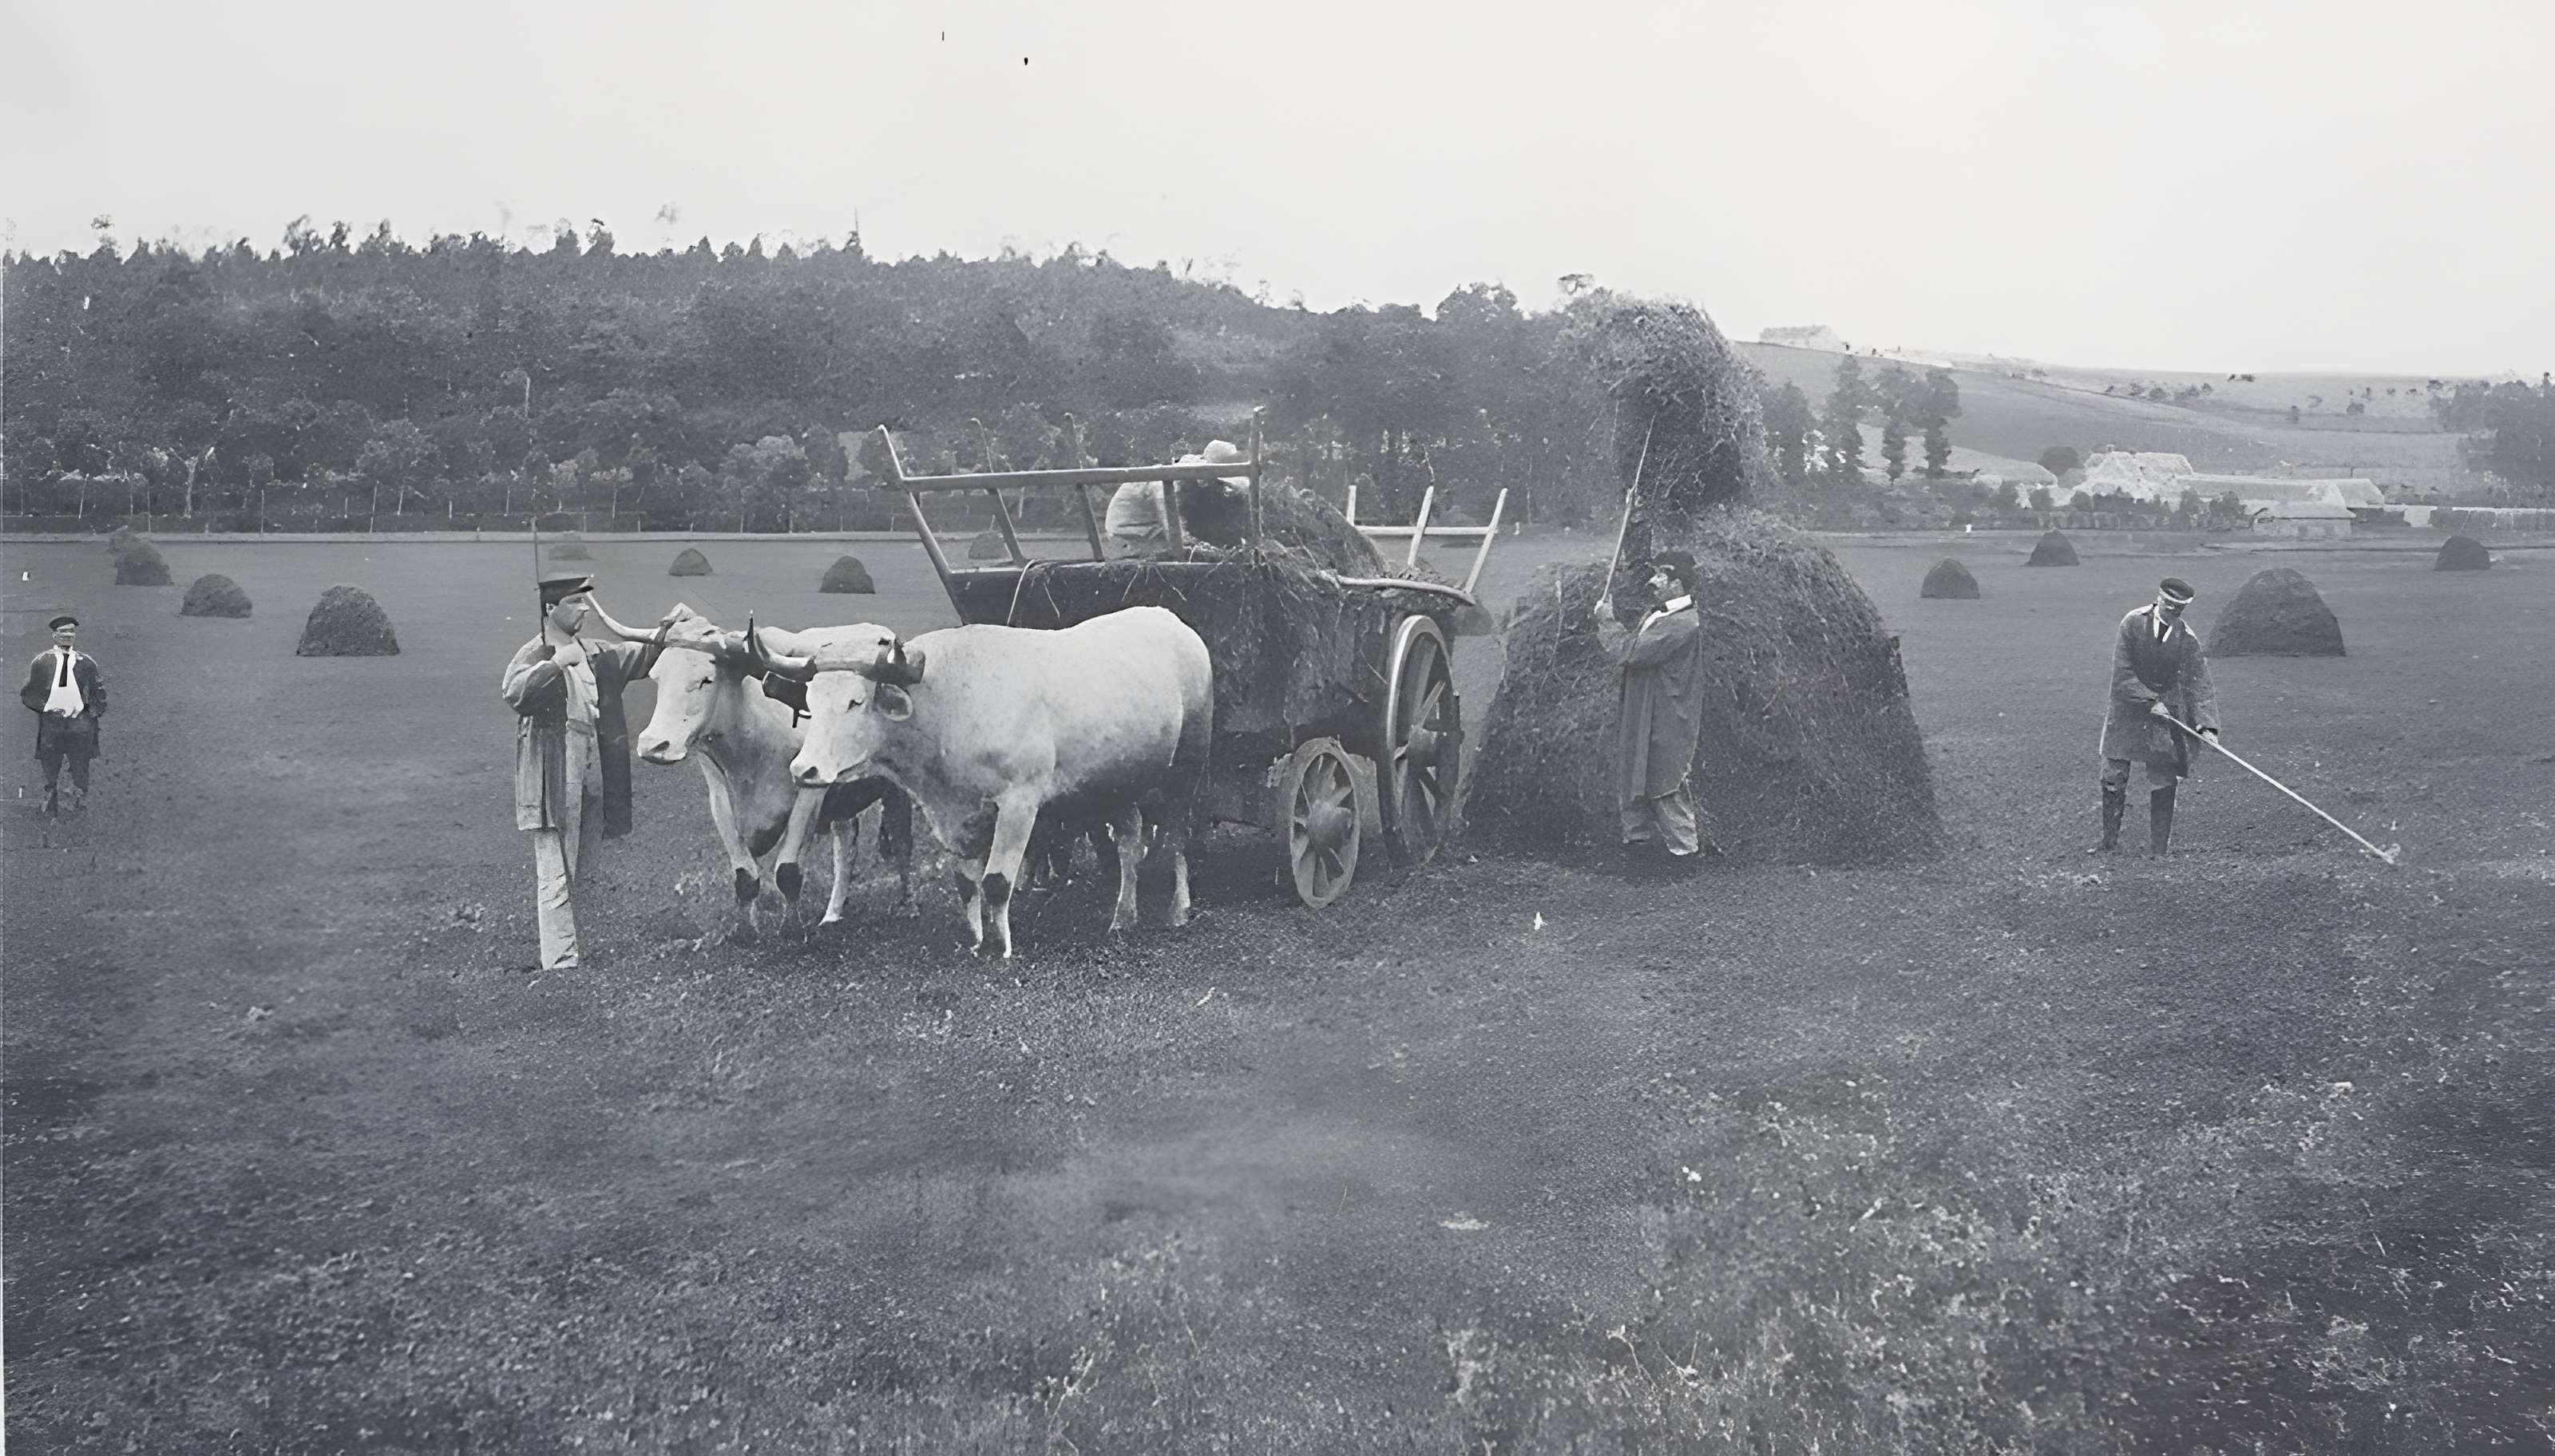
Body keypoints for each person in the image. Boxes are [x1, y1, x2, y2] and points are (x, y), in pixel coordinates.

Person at [499, 573, 662, 970]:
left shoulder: (595, 652)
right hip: (554, 771)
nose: (585, 610)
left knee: (587, 862)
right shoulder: (535, 652)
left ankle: (584, 947)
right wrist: (555, 663)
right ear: (551, 610)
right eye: (575, 603)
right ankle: (559, 960)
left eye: (585, 602)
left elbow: (640, 658)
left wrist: (666, 633)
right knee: (556, 865)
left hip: (595, 764)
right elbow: (515, 694)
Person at [2095, 576, 2221, 856]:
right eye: (2168, 604)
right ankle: (2108, 844)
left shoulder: (2186, 638)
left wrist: (2206, 725)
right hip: (2126, 711)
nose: (2171, 611)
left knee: (2164, 778)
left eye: (2178, 608)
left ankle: (2158, 850)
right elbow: (2122, 674)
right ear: (2159, 599)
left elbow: (2199, 681)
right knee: (2113, 777)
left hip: (2164, 716)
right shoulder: (2132, 623)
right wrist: (2149, 700)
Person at [1603, 552, 1707, 875]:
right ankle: (1639, 852)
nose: (1653, 582)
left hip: (1665, 712)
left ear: (1677, 583)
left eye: (1660, 576)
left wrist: (1606, 621)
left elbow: (1632, 653)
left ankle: (1685, 857)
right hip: (1642, 706)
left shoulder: (1684, 624)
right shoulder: (1661, 615)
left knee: (1664, 778)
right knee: (1634, 769)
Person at [21, 614, 105, 817]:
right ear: (54, 635)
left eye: (70, 632)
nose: (67, 636)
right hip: (52, 723)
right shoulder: (42, 662)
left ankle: (80, 799)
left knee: (80, 762)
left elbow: (99, 693)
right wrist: (46, 708)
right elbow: (28, 693)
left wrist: (90, 713)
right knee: (50, 760)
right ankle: (50, 798)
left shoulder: (86, 663)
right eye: (62, 632)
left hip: (80, 724)